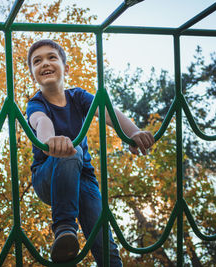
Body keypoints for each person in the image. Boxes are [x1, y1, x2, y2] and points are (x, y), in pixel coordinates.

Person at [26, 39, 155, 266]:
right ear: (32, 75)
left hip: (84, 177)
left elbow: (106, 111)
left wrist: (133, 132)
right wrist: (49, 141)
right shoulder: (36, 103)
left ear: (66, 68)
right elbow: (40, 121)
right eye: (37, 61)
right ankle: (65, 229)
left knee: (105, 243)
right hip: (48, 177)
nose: (44, 63)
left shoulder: (78, 97)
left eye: (51, 57)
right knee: (72, 150)